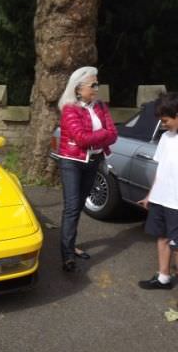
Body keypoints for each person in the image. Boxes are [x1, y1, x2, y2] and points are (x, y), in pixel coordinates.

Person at [57, 66, 118, 272]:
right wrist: (103, 134)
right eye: (93, 84)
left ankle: (71, 244)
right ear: (78, 88)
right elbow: (82, 139)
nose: (97, 88)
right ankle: (67, 255)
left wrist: (101, 135)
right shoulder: (69, 109)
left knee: (80, 203)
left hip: (93, 161)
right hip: (72, 162)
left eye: (97, 83)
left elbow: (114, 134)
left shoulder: (100, 106)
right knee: (72, 207)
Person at [138, 92, 178, 289]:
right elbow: (160, 170)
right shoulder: (166, 138)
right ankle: (163, 277)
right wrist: (150, 195)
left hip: (176, 204)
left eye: (166, 120)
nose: (163, 124)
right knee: (162, 237)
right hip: (161, 199)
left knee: (177, 245)